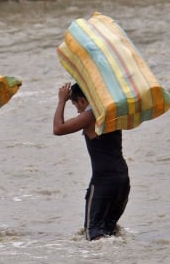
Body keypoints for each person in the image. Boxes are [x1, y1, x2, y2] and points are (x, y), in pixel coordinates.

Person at [52, 82, 130, 240]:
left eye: (76, 106)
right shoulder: (110, 111)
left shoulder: (90, 115)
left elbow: (58, 129)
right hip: (122, 180)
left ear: (82, 100)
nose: (78, 111)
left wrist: (61, 100)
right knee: (110, 230)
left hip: (103, 182)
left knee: (92, 233)